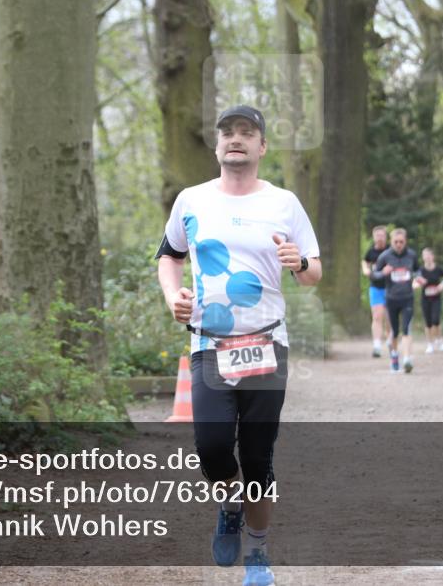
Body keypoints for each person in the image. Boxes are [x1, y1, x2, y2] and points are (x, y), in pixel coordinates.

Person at [155, 105, 321, 586]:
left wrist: (298, 263)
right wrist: (173, 295)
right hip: (210, 343)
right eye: (227, 132)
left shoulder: (284, 203)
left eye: (247, 133)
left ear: (262, 146)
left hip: (267, 342)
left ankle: (258, 553)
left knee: (258, 454)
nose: (236, 139)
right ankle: (229, 501)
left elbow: (313, 273)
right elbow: (169, 257)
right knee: (210, 447)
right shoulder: (191, 200)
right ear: (216, 145)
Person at [371, 228, 418, 373]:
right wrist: (383, 273)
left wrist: (418, 278)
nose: (399, 244)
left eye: (401, 242)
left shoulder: (412, 255)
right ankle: (394, 355)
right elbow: (374, 276)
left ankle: (407, 359)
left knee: (406, 329)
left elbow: (418, 270)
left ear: (405, 242)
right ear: (391, 242)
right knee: (394, 332)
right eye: (396, 242)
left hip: (407, 298)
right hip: (391, 299)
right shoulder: (385, 256)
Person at [362, 225, 391, 357]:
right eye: (377, 235)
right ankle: (377, 345)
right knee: (377, 316)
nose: (379, 238)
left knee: (390, 318)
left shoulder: (391, 251)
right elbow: (365, 267)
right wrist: (368, 271)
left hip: (391, 288)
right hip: (376, 288)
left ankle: (391, 340)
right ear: (373, 237)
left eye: (382, 235)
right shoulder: (370, 253)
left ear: (386, 237)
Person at [415, 247, 443, 354]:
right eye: (425, 256)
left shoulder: (438, 269)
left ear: (433, 257)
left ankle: (439, 340)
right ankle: (430, 344)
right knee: (428, 322)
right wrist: (418, 284)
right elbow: (415, 281)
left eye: (429, 255)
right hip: (425, 299)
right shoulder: (420, 270)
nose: (427, 258)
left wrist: (442, 285)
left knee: (436, 320)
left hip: (436, 298)